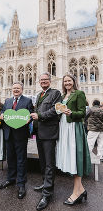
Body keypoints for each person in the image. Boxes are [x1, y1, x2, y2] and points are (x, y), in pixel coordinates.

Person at [56, 74, 91, 205]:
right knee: (71, 159)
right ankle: (81, 190)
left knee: (75, 159)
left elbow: (83, 112)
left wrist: (72, 113)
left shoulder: (79, 93)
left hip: (74, 128)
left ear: (74, 81)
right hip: (64, 128)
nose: (67, 83)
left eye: (69, 81)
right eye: (65, 81)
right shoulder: (62, 96)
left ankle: (76, 192)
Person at [30, 72, 62, 211]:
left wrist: (40, 115)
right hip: (39, 133)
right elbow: (36, 112)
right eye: (41, 80)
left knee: (49, 163)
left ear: (50, 81)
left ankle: (47, 193)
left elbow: (55, 111)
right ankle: (45, 183)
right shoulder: (39, 95)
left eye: (45, 80)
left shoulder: (55, 93)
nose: (43, 81)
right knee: (42, 161)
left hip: (49, 133)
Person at [0, 82, 33, 199]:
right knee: (10, 158)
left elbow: (31, 114)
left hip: (20, 135)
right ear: (11, 89)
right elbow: (3, 112)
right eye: (14, 88)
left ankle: (21, 184)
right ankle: (10, 179)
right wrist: (1, 115)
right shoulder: (7, 101)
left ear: (22, 89)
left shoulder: (27, 101)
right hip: (9, 134)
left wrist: (29, 119)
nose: (16, 90)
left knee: (21, 159)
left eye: (18, 88)